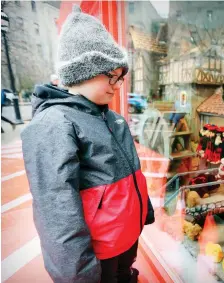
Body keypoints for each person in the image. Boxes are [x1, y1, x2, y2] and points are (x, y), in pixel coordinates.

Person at [21, 6, 154, 283]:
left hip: (124, 240)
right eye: (111, 75)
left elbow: (133, 172)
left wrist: (144, 213)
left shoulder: (113, 118)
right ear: (84, 70)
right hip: (96, 254)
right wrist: (77, 274)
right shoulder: (54, 124)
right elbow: (56, 210)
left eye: (120, 77)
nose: (117, 84)